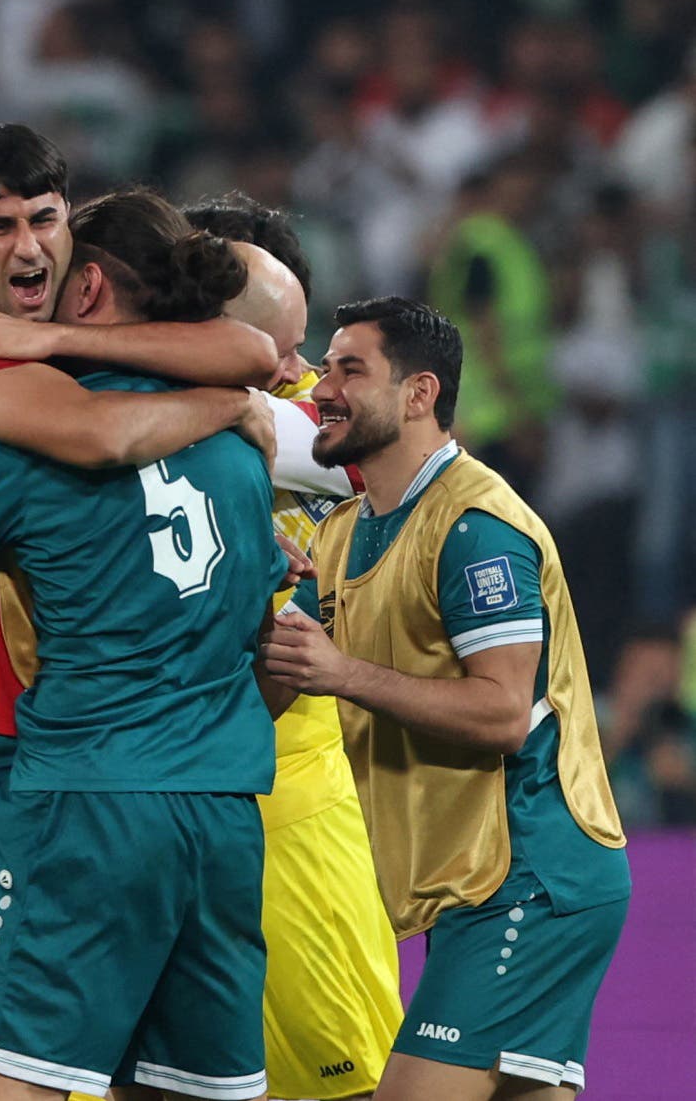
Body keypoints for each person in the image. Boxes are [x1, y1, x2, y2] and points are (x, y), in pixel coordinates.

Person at [0, 126, 283, 1101]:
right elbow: (109, 429)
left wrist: (55, 336)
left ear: (80, 259)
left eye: (46, 221)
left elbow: (250, 354)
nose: (28, 249)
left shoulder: (35, 390)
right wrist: (230, 408)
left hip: (68, 763)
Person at [263, 298, 630, 1101]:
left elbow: (501, 713)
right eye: (324, 365)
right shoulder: (341, 529)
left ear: (418, 393)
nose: (321, 387)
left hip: (529, 874)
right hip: (471, 882)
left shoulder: (474, 526)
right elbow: (278, 685)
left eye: (348, 369)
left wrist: (342, 672)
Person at [189, 196, 402, 1101]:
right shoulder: (113, 400)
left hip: (294, 782)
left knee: (342, 1074)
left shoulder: (326, 412)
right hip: (137, 778)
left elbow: (395, 461)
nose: (288, 357)